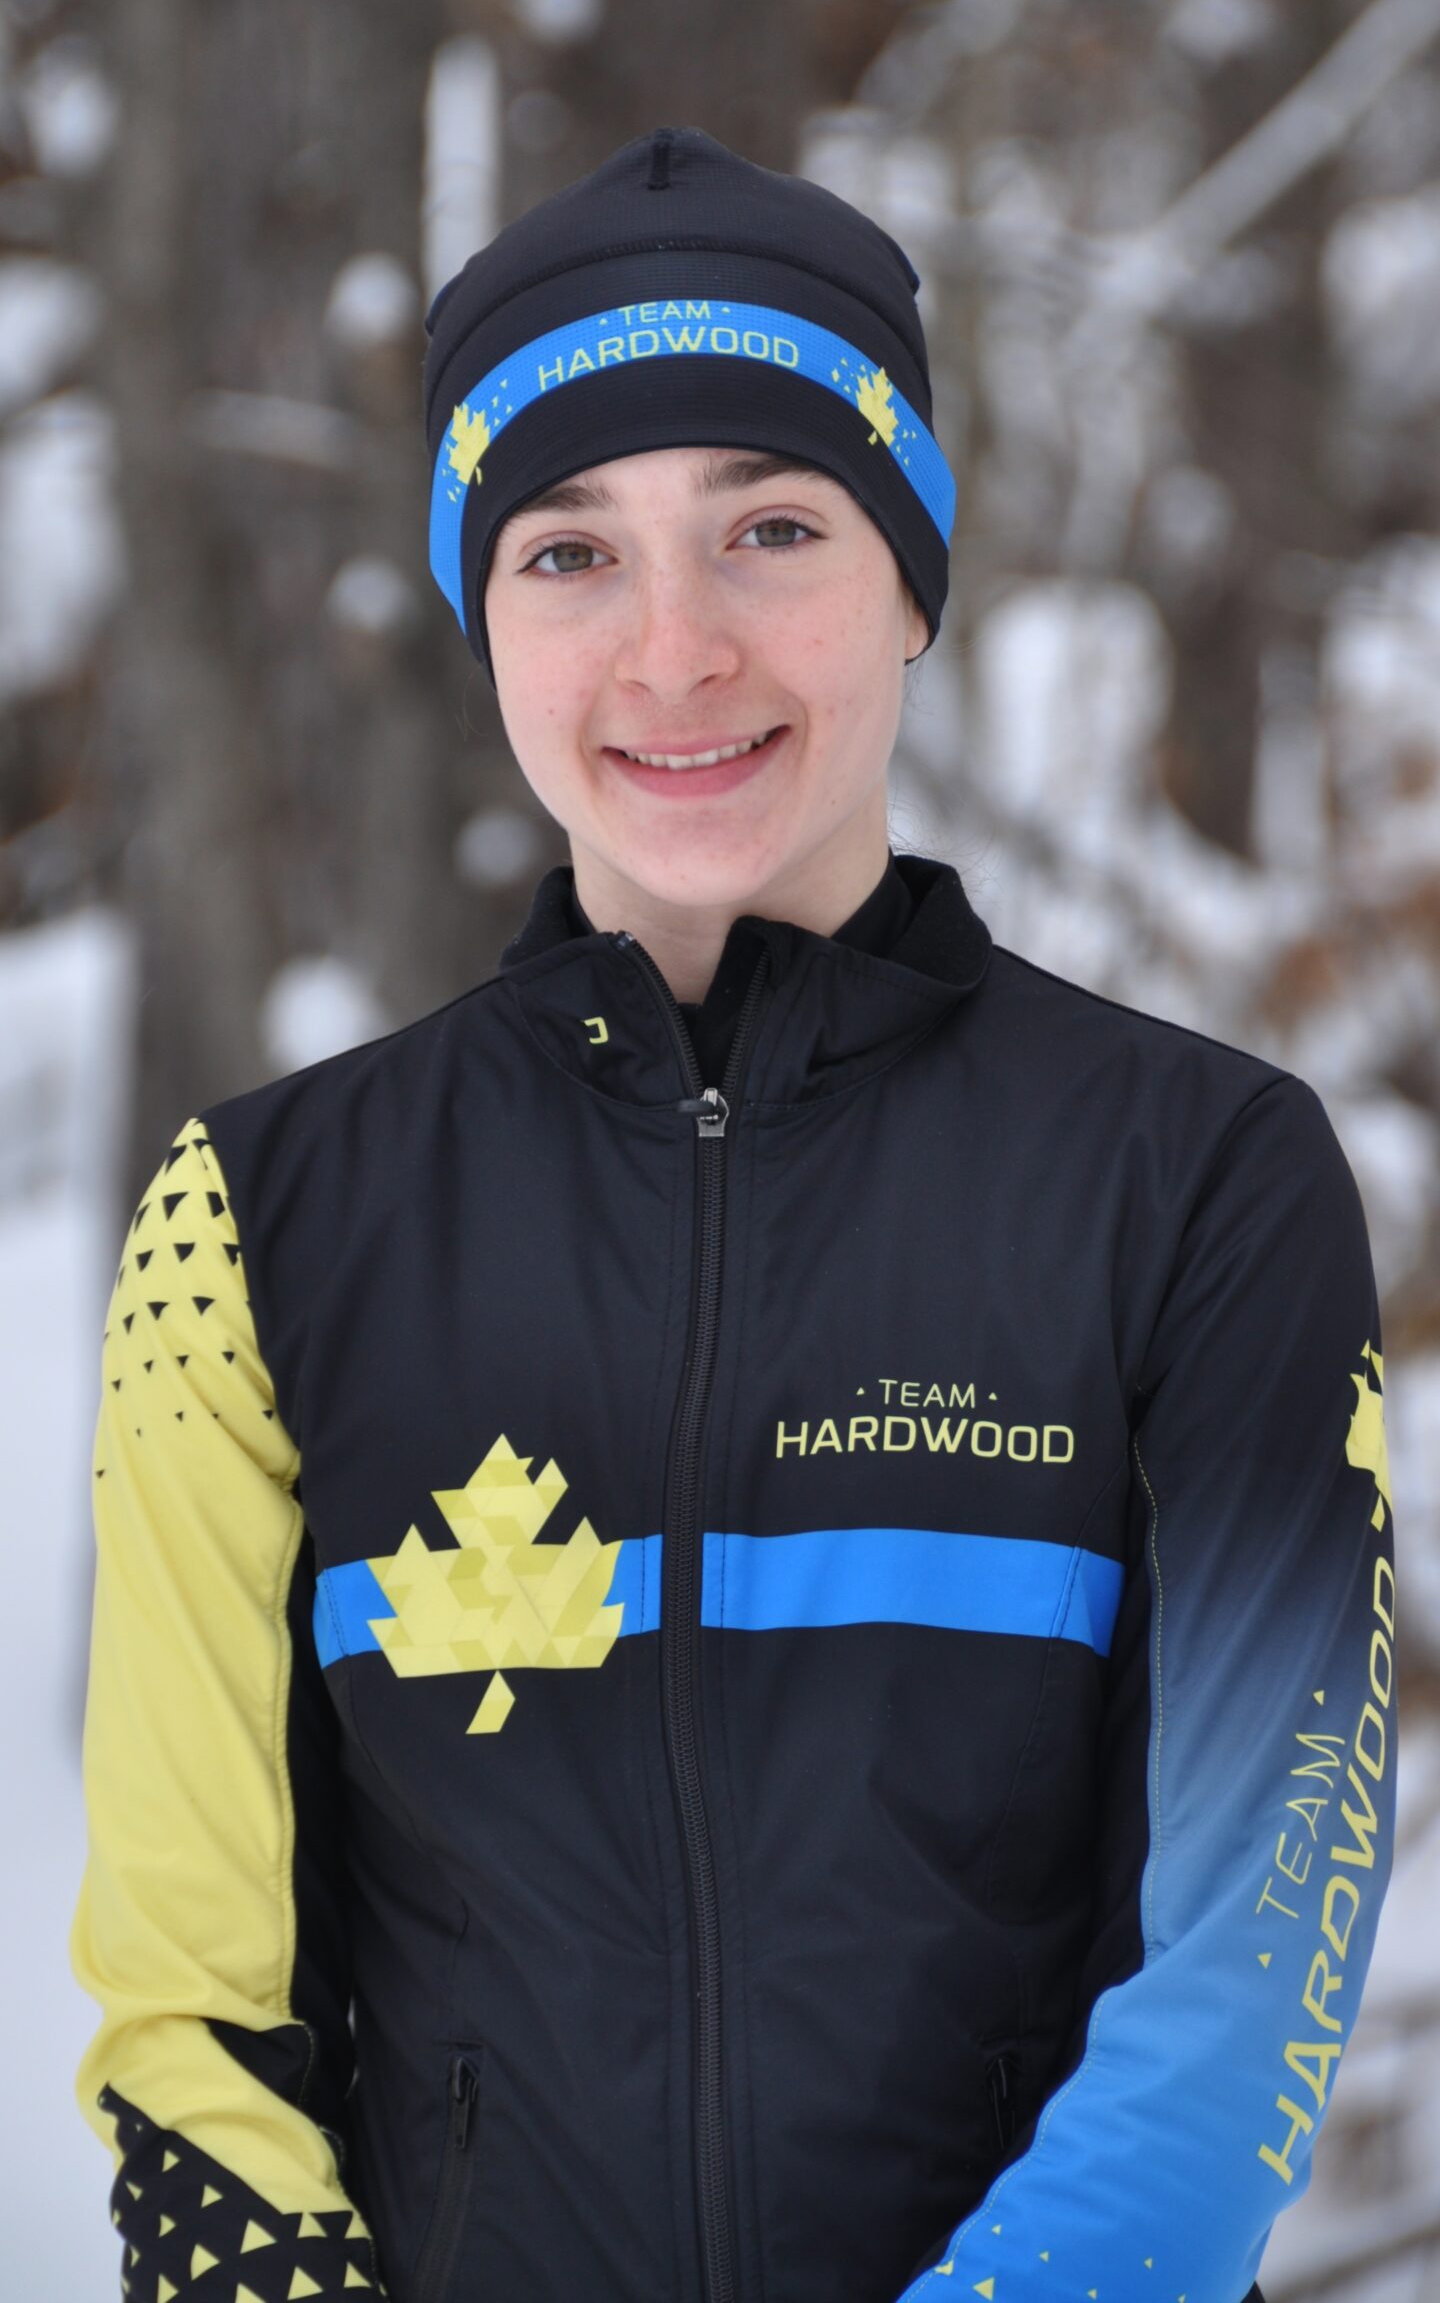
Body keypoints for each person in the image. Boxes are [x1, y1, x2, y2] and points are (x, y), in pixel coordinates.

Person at [71, 126, 1396, 2303]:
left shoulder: (1197, 1174)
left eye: (771, 528)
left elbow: (1254, 1959)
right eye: (570, 552)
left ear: (913, 580)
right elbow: (187, 2014)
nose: (674, 651)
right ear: (481, 617)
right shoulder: (262, 1221)